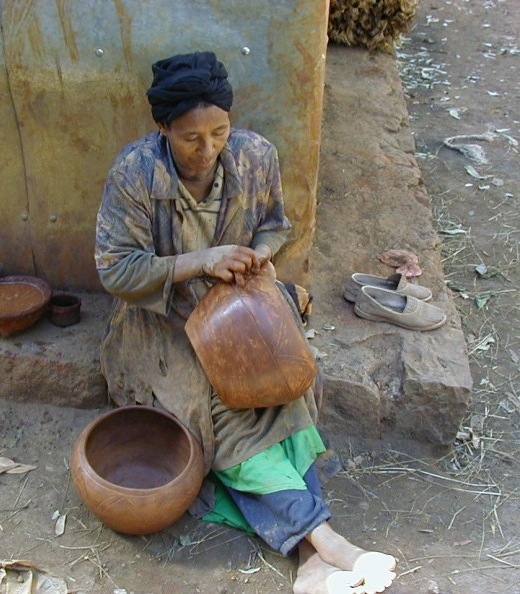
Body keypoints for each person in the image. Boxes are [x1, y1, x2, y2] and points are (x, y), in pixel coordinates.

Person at [94, 51, 397, 594]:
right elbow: (117, 270)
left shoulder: (255, 156)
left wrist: (259, 255)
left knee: (285, 390)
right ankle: (324, 541)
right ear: (163, 128)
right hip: (164, 325)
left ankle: (312, 559)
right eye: (190, 138)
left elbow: (276, 225)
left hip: (244, 307)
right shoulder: (135, 173)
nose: (207, 149)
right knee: (222, 413)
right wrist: (201, 262)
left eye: (219, 133)